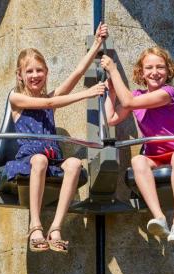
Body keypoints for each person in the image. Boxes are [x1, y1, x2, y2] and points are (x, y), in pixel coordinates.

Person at [6, 23, 108, 253]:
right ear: (20, 75)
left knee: (73, 163)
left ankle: (55, 228)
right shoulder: (16, 98)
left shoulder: (50, 100)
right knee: (40, 159)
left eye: (39, 70)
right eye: (29, 71)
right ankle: (35, 226)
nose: (35, 75)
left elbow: (76, 74)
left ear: (46, 73)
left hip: (51, 161)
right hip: (29, 160)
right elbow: (49, 103)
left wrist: (96, 45)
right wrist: (87, 94)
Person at [100, 47, 174, 242]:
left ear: (168, 71)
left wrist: (113, 70)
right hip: (155, 155)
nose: (155, 72)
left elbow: (127, 102)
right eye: (149, 67)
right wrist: (111, 92)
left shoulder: (168, 93)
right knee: (137, 160)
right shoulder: (136, 95)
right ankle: (159, 217)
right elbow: (111, 119)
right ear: (142, 72)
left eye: (160, 67)